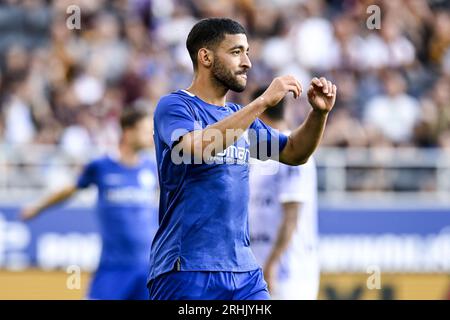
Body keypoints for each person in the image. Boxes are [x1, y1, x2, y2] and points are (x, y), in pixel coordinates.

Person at [148, 17, 336, 300]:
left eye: (247, 52)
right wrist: (260, 103)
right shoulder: (176, 106)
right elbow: (199, 147)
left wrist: (318, 114)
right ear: (206, 57)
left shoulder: (240, 119)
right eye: (236, 52)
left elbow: (295, 152)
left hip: (244, 272)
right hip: (186, 268)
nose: (247, 62)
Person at [21, 107, 159, 300]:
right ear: (128, 132)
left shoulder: (152, 169)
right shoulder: (101, 166)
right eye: (145, 131)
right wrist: (37, 207)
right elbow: (70, 189)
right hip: (114, 267)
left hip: (149, 268)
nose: (151, 136)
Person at [248, 88, 320, 300]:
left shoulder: (293, 151)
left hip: (289, 271)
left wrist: (273, 263)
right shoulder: (258, 152)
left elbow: (292, 215)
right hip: (258, 267)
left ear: (259, 112)